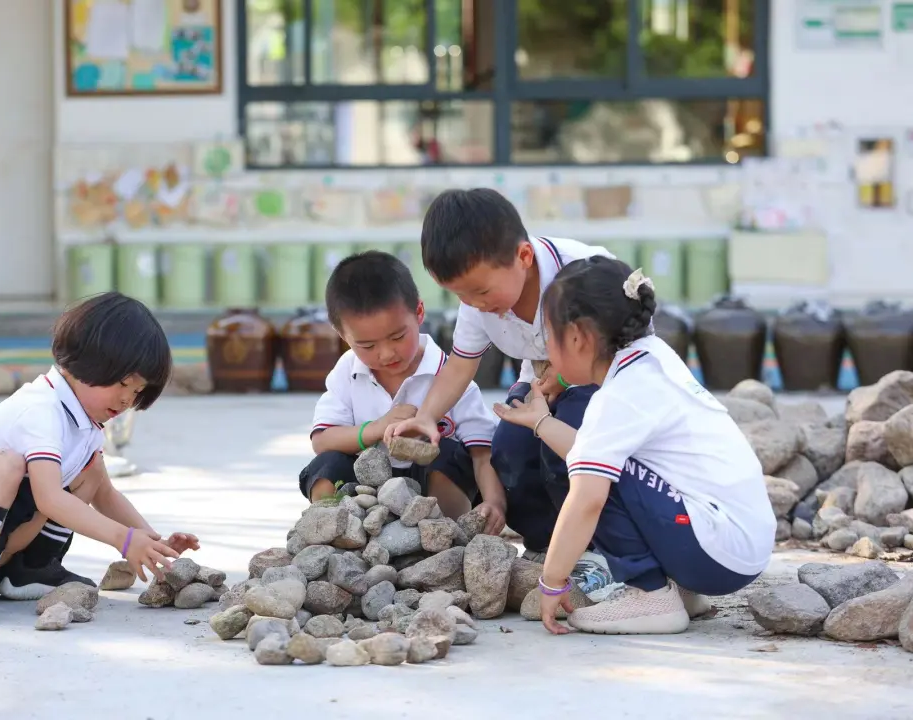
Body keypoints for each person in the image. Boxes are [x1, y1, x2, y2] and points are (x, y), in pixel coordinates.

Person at [493, 257, 775, 635]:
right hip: (735, 546)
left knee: (598, 478)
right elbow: (587, 450)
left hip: (715, 553)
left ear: (577, 337)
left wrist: (552, 580)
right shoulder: (652, 358)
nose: (545, 354)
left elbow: (588, 496)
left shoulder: (619, 394)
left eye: (548, 337)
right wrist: (542, 423)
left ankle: (650, 595)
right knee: (601, 465)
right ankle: (680, 590)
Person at [0, 292, 200, 626]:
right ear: (86, 361)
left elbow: (104, 494)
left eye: (136, 392)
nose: (126, 399)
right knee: (8, 463)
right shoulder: (41, 409)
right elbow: (48, 497)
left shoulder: (87, 424)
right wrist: (122, 539)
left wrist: (153, 544)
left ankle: (29, 570)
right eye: (122, 383)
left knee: (91, 471)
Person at [385, 187, 611, 549]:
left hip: (603, 382)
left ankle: (599, 548)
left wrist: (569, 375)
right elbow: (461, 365)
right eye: (460, 295)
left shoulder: (584, 272)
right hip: (538, 381)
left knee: (563, 448)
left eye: (481, 291)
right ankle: (546, 546)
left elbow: (625, 345)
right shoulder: (477, 303)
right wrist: (427, 415)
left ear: (523, 256)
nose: (474, 304)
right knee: (509, 450)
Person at [301, 251, 500, 523]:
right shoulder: (347, 371)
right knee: (326, 466)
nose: (386, 354)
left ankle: (446, 534)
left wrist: (494, 502)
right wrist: (375, 429)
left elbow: (482, 450)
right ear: (342, 335)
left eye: (397, 337)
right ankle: (331, 533)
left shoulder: (449, 373)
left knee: (450, 457)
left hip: (427, 487)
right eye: (367, 346)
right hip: (364, 493)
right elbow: (322, 440)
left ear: (419, 312)